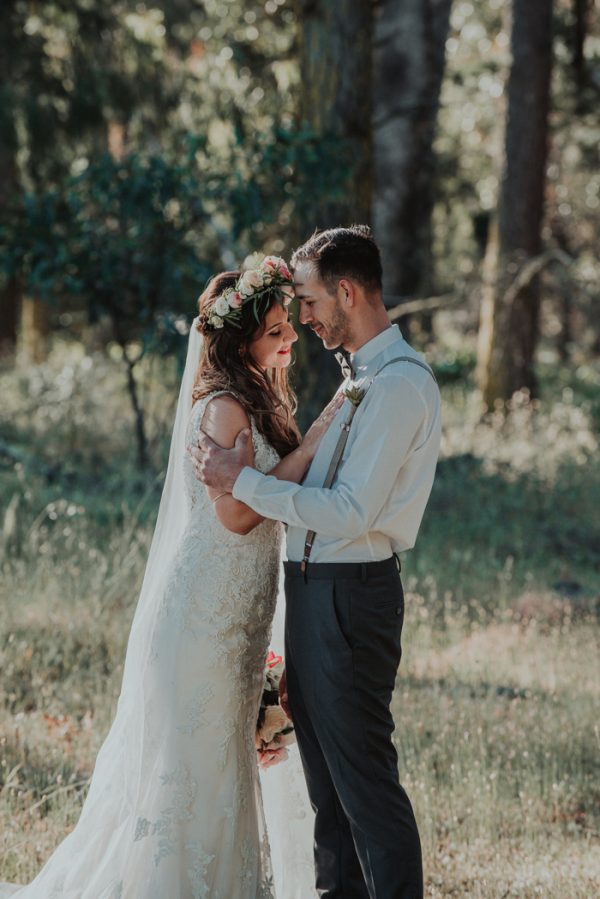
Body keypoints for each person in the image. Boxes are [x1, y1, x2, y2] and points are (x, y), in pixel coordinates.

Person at [0, 257, 335, 898]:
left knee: (227, 775)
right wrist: (313, 442)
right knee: (196, 778)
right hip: (201, 621)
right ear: (239, 344)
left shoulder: (259, 399)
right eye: (274, 332)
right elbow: (237, 513)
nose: (290, 338)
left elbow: (269, 490)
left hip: (238, 627)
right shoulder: (222, 410)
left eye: (288, 325)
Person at [191, 226, 442, 899]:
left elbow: (351, 511)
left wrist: (242, 483)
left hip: (352, 597)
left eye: (308, 301)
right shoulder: (359, 377)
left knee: (364, 787)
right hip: (312, 593)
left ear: (348, 292)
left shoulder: (396, 386)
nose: (303, 317)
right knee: (328, 795)